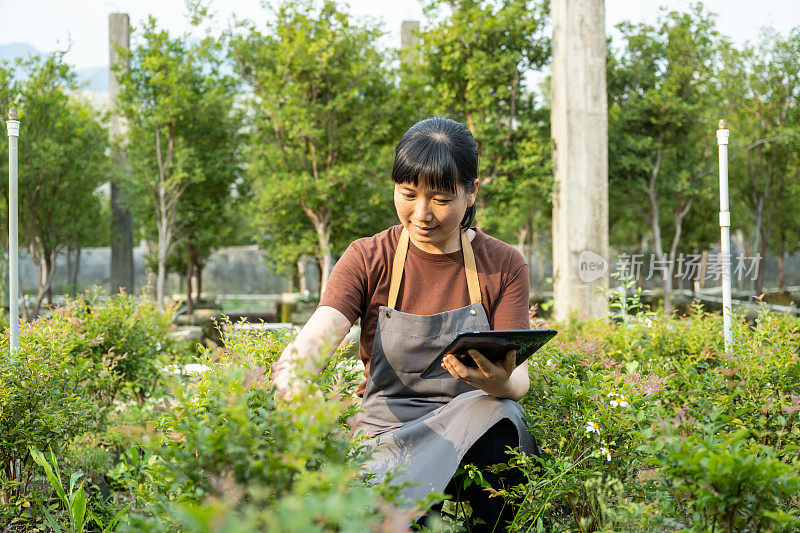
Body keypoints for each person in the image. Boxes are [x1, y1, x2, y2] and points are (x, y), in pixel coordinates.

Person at [270, 117, 538, 532]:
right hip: (387, 432)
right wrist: (296, 381)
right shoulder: (367, 257)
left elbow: (517, 383)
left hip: (471, 421)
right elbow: (311, 344)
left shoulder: (503, 265)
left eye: (442, 199)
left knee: (503, 417)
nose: (422, 214)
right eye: (408, 194)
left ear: (472, 194)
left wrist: (497, 381)